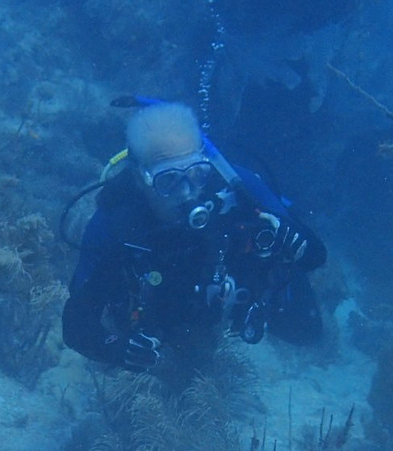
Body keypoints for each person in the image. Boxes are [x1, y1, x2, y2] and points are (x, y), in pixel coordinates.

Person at [62, 101, 326, 372]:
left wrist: (294, 245)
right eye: (168, 180)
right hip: (156, 312)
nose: (187, 192)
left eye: (197, 173)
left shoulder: (235, 185)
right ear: (141, 178)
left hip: (228, 292)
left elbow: (315, 253)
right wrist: (116, 350)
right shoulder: (116, 220)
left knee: (306, 331)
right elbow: (76, 322)